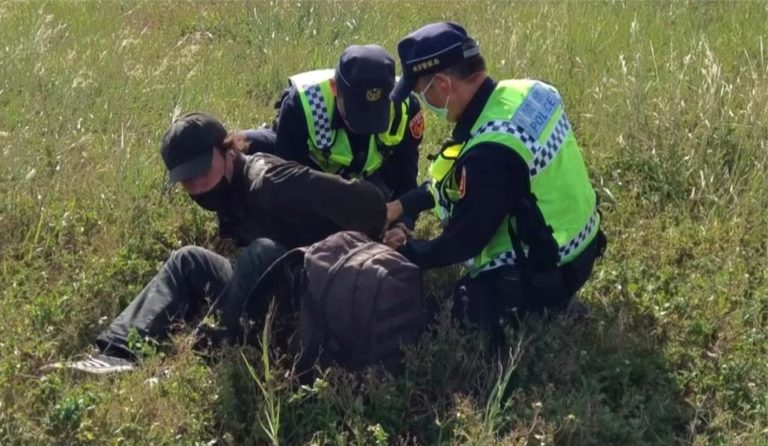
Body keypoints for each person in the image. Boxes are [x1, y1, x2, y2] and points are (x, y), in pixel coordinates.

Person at [44, 112, 386, 374]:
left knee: (262, 252)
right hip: (271, 290)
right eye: (186, 180)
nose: (195, 186)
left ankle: (212, 351)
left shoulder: (271, 182)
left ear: (228, 150)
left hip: (314, 293)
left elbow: (367, 203)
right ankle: (117, 354)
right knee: (189, 259)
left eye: (201, 171)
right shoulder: (228, 190)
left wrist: (386, 229)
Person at [384, 22, 607, 339]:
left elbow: (462, 242)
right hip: (583, 244)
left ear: (444, 85)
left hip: (551, 270)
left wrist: (407, 253)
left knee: (453, 320)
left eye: (422, 91)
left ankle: (550, 304)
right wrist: (399, 206)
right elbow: (449, 180)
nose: (424, 101)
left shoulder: (492, 153)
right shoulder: (528, 92)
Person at [235, 45, 425, 227]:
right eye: (357, 114)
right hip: (312, 171)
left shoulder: (404, 107)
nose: (365, 127)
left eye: (375, 115)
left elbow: (406, 178)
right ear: (335, 89)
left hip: (368, 174)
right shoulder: (302, 103)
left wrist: (402, 225)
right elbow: (289, 183)